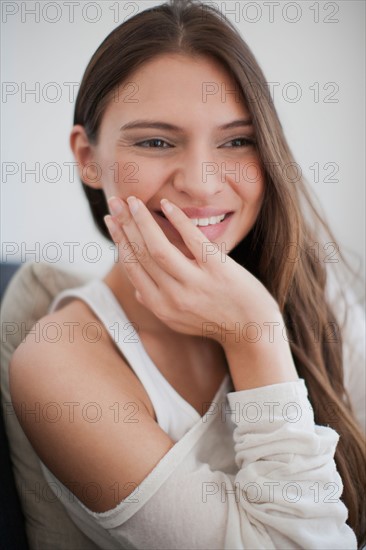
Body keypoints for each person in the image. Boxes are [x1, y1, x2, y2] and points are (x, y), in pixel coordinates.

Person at [9, 0, 365, 548]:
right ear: (87, 156)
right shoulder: (61, 365)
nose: (201, 184)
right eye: (155, 141)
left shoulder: (317, 289)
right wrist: (254, 335)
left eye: (236, 140)